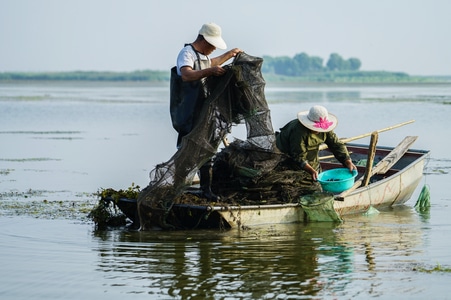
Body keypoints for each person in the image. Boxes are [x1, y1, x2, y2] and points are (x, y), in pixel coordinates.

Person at [171, 22, 242, 201]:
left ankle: (206, 190)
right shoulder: (187, 53)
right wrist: (211, 71)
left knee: (208, 148)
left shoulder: (202, 56)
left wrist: (229, 54)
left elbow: (211, 63)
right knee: (187, 149)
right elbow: (186, 74)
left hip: (202, 109)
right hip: (188, 110)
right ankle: (174, 187)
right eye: (212, 45)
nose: (213, 49)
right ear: (203, 40)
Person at [275, 105, 357, 193]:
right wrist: (310, 170)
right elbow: (298, 156)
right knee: (297, 184)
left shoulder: (325, 128)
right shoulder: (298, 131)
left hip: (310, 154)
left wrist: (347, 160)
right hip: (286, 155)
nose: (318, 130)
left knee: (316, 178)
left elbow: (336, 144)